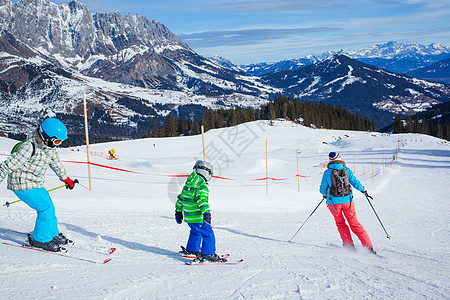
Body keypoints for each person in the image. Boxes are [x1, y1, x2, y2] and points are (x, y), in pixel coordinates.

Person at [0, 118, 78, 252]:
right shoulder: (29, 147)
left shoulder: (49, 148)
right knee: (45, 208)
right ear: (47, 137)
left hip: (34, 182)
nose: (58, 145)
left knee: (49, 205)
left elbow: (56, 164)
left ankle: (52, 233)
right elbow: (8, 165)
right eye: (57, 141)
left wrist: (67, 179)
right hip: (22, 183)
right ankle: (40, 239)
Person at [319, 152, 376, 254]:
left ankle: (348, 244)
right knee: (354, 223)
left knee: (340, 223)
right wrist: (363, 190)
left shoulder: (327, 173)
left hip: (333, 203)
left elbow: (322, 188)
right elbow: (355, 182)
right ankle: (368, 246)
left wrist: (325, 194)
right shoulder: (347, 170)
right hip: (348, 202)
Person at [175, 160, 225, 262]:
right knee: (208, 233)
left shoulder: (188, 185)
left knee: (195, 231)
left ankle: (192, 250)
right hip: (198, 217)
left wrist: (178, 212)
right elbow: (202, 201)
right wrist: (206, 214)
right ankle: (208, 254)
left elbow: (181, 199)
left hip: (189, 217)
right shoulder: (202, 186)